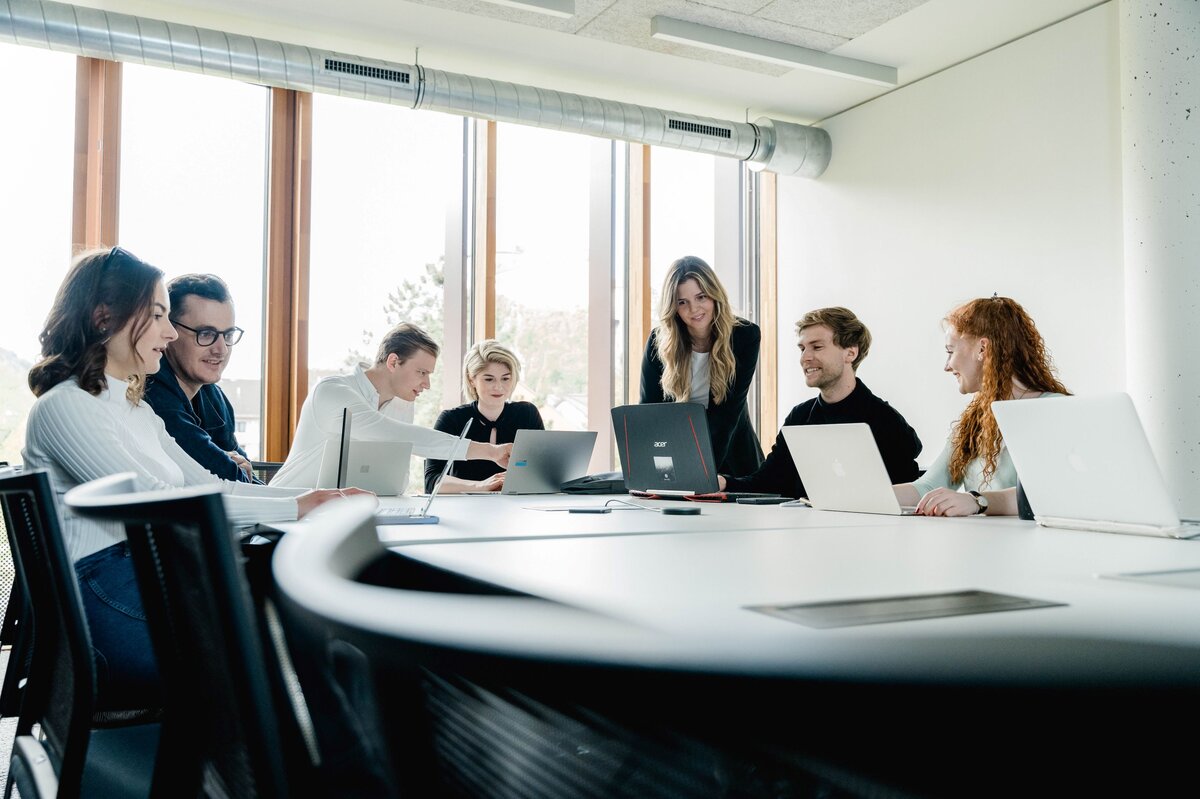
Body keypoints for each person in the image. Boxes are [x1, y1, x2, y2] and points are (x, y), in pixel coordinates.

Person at [22, 247, 358, 707]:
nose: (167, 332)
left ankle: (309, 772)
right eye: (158, 315)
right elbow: (156, 501)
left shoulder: (136, 410)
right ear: (104, 318)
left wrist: (319, 496)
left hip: (143, 576)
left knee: (311, 636)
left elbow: (205, 485)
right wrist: (297, 507)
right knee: (285, 648)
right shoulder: (65, 405)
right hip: (103, 599)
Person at [271, 322, 511, 489]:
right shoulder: (332, 392)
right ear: (394, 362)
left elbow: (396, 479)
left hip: (341, 511)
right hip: (287, 515)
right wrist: (490, 451)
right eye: (421, 372)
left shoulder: (401, 404)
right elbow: (400, 436)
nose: (426, 384)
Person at [894, 296, 1070, 517]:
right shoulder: (974, 421)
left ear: (982, 349)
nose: (947, 366)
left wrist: (978, 500)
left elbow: (1051, 492)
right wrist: (864, 497)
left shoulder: (1057, 411)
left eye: (950, 351)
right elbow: (927, 488)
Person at [719, 307, 921, 498]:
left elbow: (906, 492)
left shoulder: (884, 420)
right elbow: (766, 481)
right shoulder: (799, 416)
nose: (805, 358)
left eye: (817, 347)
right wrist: (724, 483)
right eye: (802, 349)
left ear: (850, 353)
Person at [640, 256, 763, 475]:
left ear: (714, 295)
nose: (694, 309)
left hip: (732, 462)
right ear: (673, 307)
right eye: (682, 302)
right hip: (677, 456)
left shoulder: (745, 335)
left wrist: (699, 471)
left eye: (701, 297)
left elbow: (728, 414)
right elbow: (649, 412)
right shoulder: (659, 341)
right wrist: (650, 468)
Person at [143, 273, 255, 482]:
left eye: (228, 334)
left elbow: (248, 476)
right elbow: (226, 476)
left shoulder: (213, 396)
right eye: (206, 334)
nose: (221, 349)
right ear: (169, 331)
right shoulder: (151, 392)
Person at [424, 340, 544, 493]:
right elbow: (431, 481)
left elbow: (542, 470)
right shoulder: (452, 419)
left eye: (505, 378)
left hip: (517, 506)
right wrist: (479, 486)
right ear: (471, 379)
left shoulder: (527, 414)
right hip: (465, 508)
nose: (498, 387)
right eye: (489, 379)